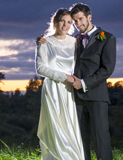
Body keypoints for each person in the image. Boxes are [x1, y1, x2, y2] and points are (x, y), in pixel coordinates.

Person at [37, 3, 116, 160]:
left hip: (96, 96)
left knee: (101, 139)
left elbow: (107, 69)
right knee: (79, 140)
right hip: (75, 98)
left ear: (89, 17)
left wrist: (84, 83)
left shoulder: (106, 38)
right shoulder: (75, 40)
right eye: (75, 21)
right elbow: (57, 47)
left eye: (80, 19)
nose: (78, 24)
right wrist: (41, 42)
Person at [35, 8, 85, 160]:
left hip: (69, 91)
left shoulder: (75, 42)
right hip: (52, 90)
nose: (66, 25)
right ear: (55, 22)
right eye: (63, 21)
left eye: (69, 22)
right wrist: (65, 77)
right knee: (56, 129)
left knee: (70, 127)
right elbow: (40, 68)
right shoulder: (45, 41)